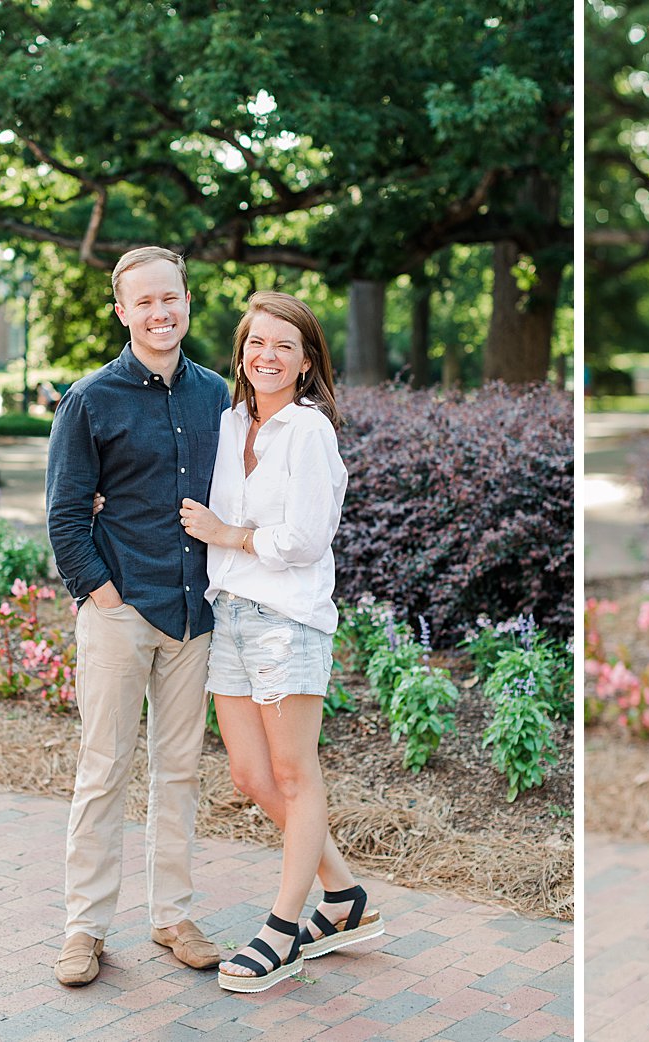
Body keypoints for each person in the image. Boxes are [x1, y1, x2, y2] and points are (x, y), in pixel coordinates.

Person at [177, 291, 383, 993]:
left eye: (284, 347)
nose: (267, 356)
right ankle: (346, 897)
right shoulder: (230, 420)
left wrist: (226, 534)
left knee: (295, 776)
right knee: (250, 777)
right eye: (256, 343)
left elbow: (304, 540)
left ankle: (284, 930)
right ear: (240, 352)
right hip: (228, 614)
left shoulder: (308, 431)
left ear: (305, 363)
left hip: (286, 618)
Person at [46, 246, 230, 986]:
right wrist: (103, 595)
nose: (160, 312)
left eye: (171, 298)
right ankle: (83, 929)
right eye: (144, 302)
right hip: (122, 612)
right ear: (123, 311)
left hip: (194, 614)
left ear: (188, 302)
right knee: (104, 771)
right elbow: (64, 515)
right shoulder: (90, 398)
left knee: (179, 772)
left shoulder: (218, 394)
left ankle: (171, 917)